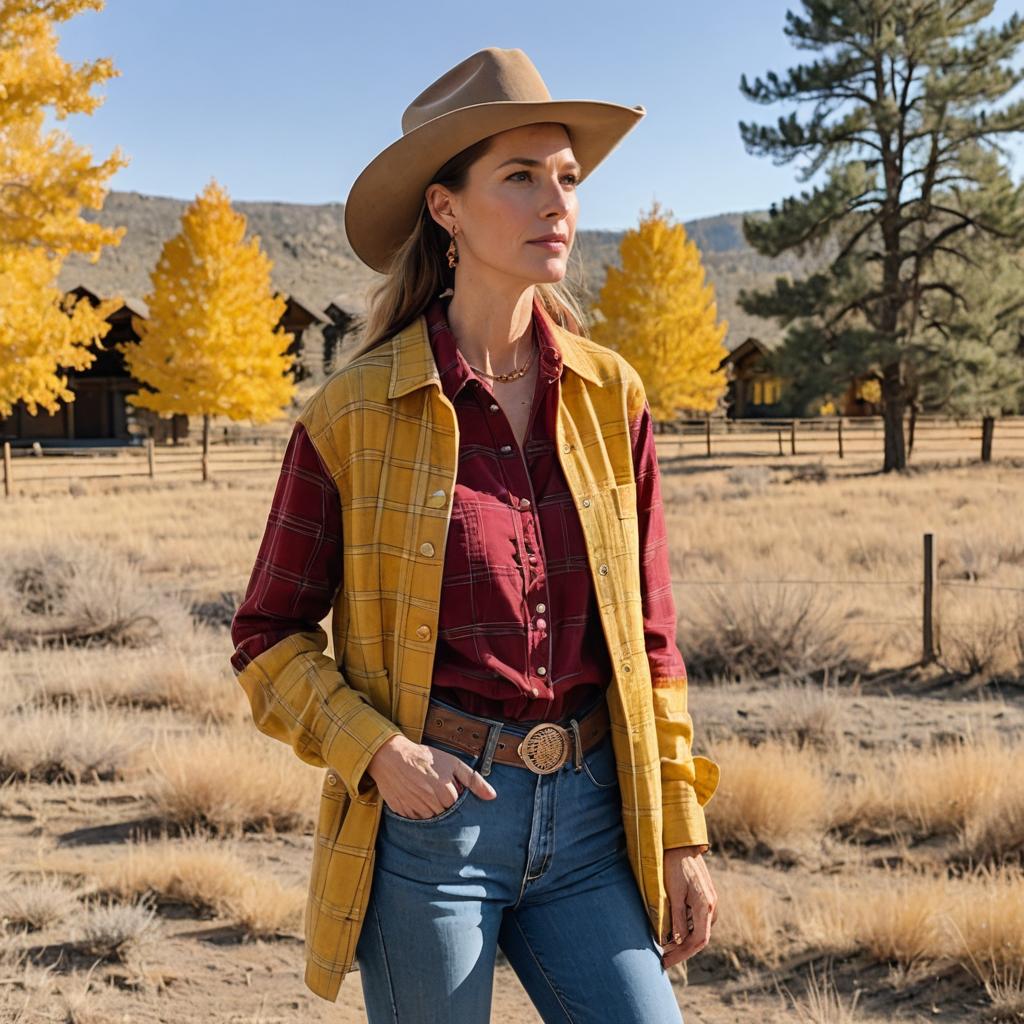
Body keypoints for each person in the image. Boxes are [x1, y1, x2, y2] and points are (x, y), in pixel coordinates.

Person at [230, 46, 720, 1024]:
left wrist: (681, 829)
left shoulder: (611, 395)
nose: (557, 203)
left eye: (567, 178)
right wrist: (376, 752)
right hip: (431, 828)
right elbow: (267, 637)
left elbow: (649, 643)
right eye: (519, 177)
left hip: (591, 818)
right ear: (445, 209)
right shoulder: (354, 413)